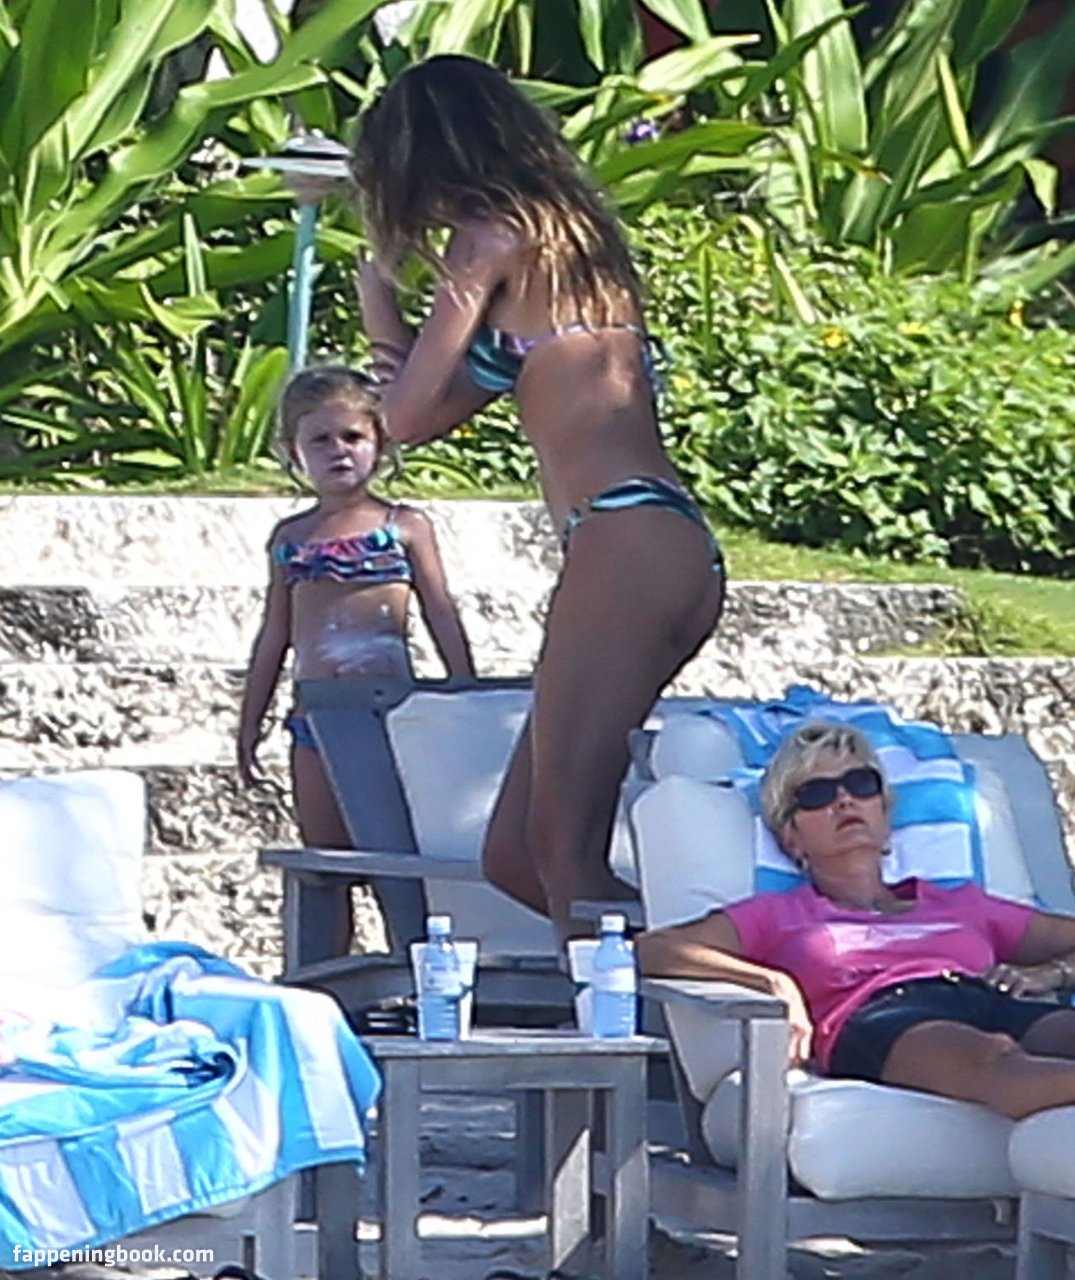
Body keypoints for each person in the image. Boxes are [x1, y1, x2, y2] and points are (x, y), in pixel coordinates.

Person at [316, 54, 725, 937]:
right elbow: (432, 408)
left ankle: (713, 978)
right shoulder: (571, 240)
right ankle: (696, 958)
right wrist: (391, 310)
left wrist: (379, 291)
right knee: (516, 856)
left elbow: (403, 418)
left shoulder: (487, 239)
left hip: (622, 541)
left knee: (559, 852)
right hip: (655, 541)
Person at [637, 719, 1075, 1120]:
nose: (844, 800)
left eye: (861, 784)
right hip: (880, 1016)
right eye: (816, 794)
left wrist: (1052, 973)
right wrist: (773, 983)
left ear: (884, 815)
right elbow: (654, 949)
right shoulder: (780, 913)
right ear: (791, 838)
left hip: (985, 996)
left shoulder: (959, 903)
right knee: (991, 1058)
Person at [237, 365, 475, 945]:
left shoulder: (403, 526)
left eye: (352, 437)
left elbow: (440, 611)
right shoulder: (291, 538)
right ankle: (327, 973)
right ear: (293, 451)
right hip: (315, 718)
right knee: (326, 861)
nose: (338, 451)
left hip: (390, 716)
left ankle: (415, 960)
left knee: (396, 859)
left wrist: (466, 694)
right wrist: (250, 723)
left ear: (380, 444)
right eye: (320, 440)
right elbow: (275, 635)